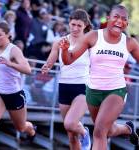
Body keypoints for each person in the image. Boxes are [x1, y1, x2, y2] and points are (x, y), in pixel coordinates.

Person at [60, 5, 139, 150]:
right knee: (107, 130)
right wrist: (65, 50)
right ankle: (127, 129)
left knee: (99, 131)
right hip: (93, 92)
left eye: (124, 19)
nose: (119, 21)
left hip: (116, 91)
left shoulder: (129, 43)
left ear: (127, 23)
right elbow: (68, 60)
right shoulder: (93, 36)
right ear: (108, 18)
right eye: (116, 17)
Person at [41, 9, 92, 150]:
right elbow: (51, 58)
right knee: (70, 134)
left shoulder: (90, 42)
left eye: (79, 26)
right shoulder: (60, 41)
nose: (75, 28)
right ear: (69, 23)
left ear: (85, 25)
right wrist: (47, 66)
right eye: (73, 24)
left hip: (83, 87)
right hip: (64, 87)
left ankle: (84, 132)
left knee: (70, 124)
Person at [0, 21, 36, 150]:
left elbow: (28, 70)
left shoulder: (14, 50)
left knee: (21, 127)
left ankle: (31, 130)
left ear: (8, 35)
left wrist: (10, 64)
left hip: (14, 94)